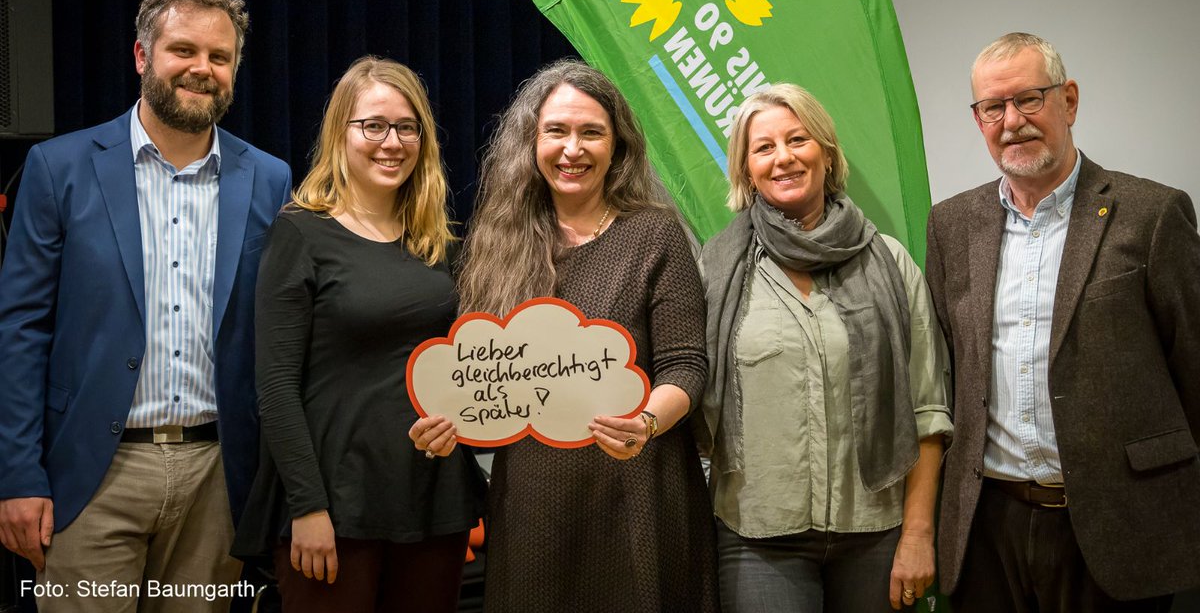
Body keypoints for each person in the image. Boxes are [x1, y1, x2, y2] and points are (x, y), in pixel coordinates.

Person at [0, 0, 292, 610]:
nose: (202, 69)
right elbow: (21, 331)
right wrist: (18, 474)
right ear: (142, 56)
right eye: (182, 50)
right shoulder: (60, 168)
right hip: (92, 474)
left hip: (218, 475)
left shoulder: (270, 179)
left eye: (219, 57)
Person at [409, 59, 719, 612]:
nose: (572, 149)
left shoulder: (654, 233)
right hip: (534, 505)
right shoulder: (498, 242)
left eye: (591, 133)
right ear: (532, 141)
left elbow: (686, 364)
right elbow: (480, 378)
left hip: (640, 491)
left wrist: (644, 422)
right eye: (557, 131)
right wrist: (451, 423)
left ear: (617, 145)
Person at [927, 32, 1200, 612]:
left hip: (1118, 523)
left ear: (1068, 100)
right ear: (978, 120)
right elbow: (945, 372)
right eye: (993, 108)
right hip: (985, 526)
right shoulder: (952, 225)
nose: (1012, 121)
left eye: (1029, 99)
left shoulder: (1151, 215)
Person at [232, 57, 485, 613]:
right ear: (340, 133)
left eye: (406, 126)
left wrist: (463, 420)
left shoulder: (442, 247)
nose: (391, 141)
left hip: (431, 503)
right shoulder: (300, 233)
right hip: (333, 509)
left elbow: (466, 371)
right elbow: (274, 387)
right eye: (373, 125)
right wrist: (308, 507)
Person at [698, 85, 952, 612]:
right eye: (763, 147)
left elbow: (928, 412)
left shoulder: (890, 263)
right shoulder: (714, 273)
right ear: (745, 170)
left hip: (877, 533)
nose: (783, 157)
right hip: (757, 540)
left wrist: (918, 534)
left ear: (827, 153)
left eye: (798, 139)